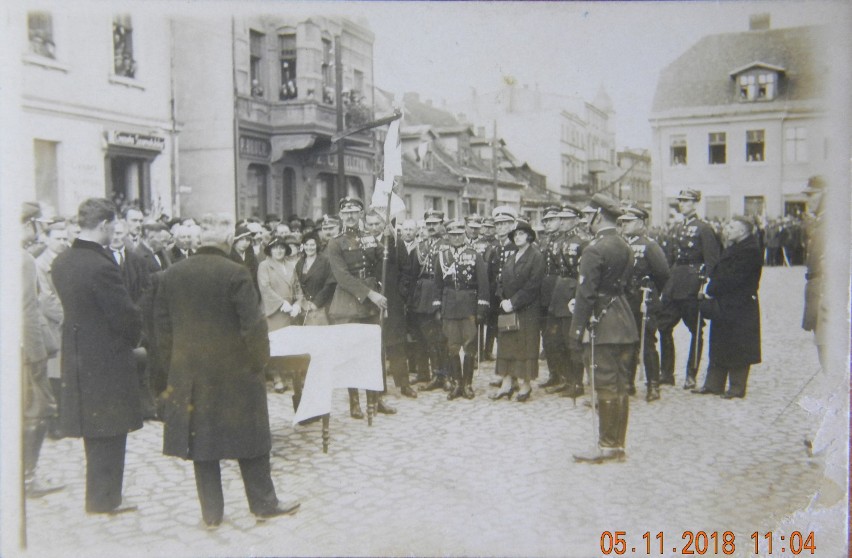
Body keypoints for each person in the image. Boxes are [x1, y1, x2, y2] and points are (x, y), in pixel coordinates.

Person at [154, 213, 300, 528]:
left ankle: (211, 513)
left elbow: (161, 333)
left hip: (191, 375)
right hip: (236, 373)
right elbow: (254, 327)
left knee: (201, 442)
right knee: (252, 439)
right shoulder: (235, 273)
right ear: (228, 240)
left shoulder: (170, 275)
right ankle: (263, 503)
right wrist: (259, 364)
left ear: (197, 240)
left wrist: (175, 370)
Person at [51, 198, 142, 513]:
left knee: (94, 429)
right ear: (104, 225)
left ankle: (98, 497)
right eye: (114, 226)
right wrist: (136, 337)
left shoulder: (62, 261)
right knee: (112, 429)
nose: (114, 232)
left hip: (77, 354)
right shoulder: (102, 266)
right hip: (107, 357)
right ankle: (106, 499)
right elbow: (124, 316)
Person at [569, 194, 638, 464]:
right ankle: (617, 444)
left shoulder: (594, 249)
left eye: (589, 216)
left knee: (606, 385)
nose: (587, 220)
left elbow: (585, 294)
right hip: (623, 321)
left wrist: (575, 332)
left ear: (598, 217)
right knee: (620, 385)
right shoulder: (624, 245)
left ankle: (607, 445)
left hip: (602, 324)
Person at [325, 197, 397, 418]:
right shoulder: (335, 243)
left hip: (371, 302)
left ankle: (377, 398)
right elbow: (342, 277)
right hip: (349, 302)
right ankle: (354, 402)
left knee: (375, 350)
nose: (350, 216)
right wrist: (370, 294)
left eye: (354, 212)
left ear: (361, 214)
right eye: (346, 213)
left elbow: (383, 261)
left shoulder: (369, 238)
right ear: (341, 216)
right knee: (352, 353)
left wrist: (388, 241)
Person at [692, 216, 763, 398]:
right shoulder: (733, 247)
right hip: (726, 302)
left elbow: (733, 278)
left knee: (739, 345)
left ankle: (736, 387)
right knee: (719, 342)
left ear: (742, 231)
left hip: (740, 304)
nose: (727, 229)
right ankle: (713, 384)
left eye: (731, 227)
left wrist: (713, 288)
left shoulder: (750, 250)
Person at [22, 202, 65, 497]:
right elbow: (29, 310)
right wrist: (39, 356)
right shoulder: (23, 259)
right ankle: (27, 478)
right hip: (25, 351)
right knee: (37, 413)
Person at [657, 189, 721, 389]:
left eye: (686, 201)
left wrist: (705, 285)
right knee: (664, 326)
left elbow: (712, 260)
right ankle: (667, 373)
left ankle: (691, 374)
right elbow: (669, 256)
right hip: (674, 283)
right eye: (681, 201)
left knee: (695, 330)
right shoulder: (676, 228)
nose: (682, 204)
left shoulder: (704, 228)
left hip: (693, 284)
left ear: (695, 203)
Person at [618, 205, 670, 401]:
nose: (624, 225)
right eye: (622, 222)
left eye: (629, 221)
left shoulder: (650, 245)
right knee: (627, 342)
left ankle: (653, 385)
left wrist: (652, 293)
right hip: (625, 300)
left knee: (647, 343)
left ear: (640, 223)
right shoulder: (621, 243)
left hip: (644, 299)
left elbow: (663, 274)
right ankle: (628, 383)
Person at [433, 220, 490, 400]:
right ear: (448, 236)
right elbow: (437, 284)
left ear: (464, 234)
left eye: (459, 234)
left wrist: (481, 308)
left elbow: (483, 283)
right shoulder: (441, 256)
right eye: (452, 234)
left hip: (468, 305)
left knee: (469, 345)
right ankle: (457, 383)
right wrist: (437, 306)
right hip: (449, 306)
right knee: (452, 346)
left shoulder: (474, 255)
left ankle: (467, 384)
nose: (456, 238)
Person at [365, 210, 417, 399]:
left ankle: (403, 384)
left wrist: (400, 293)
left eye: (377, 224)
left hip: (393, 300)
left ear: (383, 223)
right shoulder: (364, 244)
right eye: (369, 224)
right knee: (376, 343)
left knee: (396, 343)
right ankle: (379, 385)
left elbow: (406, 270)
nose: (373, 228)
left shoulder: (395, 243)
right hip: (371, 300)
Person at [489, 219, 544, 402]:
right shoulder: (513, 256)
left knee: (525, 346)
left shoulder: (535, 256)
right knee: (507, 345)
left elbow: (533, 285)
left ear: (529, 236)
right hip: (508, 308)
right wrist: (502, 298)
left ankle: (525, 385)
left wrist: (513, 302)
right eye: (515, 235)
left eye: (521, 234)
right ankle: (506, 384)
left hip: (527, 309)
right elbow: (501, 279)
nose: (517, 237)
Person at [410, 210, 451, 392]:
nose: (432, 227)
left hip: (439, 292)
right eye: (429, 224)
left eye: (435, 223)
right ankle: (427, 373)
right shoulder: (421, 246)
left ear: (442, 224)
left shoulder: (447, 245)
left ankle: (443, 374)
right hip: (422, 295)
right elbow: (413, 272)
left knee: (441, 338)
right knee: (424, 336)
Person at [257, 236, 303, 393]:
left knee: (288, 343)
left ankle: (289, 375)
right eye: (275, 248)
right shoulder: (265, 266)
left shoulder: (291, 265)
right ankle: (277, 377)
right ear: (270, 250)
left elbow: (297, 287)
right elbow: (264, 287)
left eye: (282, 248)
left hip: (290, 311)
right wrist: (281, 303)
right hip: (275, 311)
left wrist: (298, 303)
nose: (279, 251)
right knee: (275, 343)